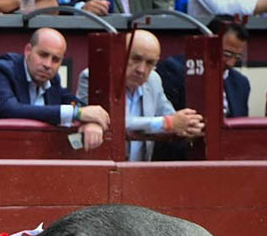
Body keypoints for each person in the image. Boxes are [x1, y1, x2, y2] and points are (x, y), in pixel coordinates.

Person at [78, 29, 204, 161]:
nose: (141, 70)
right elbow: (113, 122)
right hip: (102, 168)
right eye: (136, 59)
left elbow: (171, 117)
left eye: (150, 63)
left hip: (140, 171)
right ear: (119, 55)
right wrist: (166, 123)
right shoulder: (95, 77)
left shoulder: (153, 80)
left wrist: (189, 124)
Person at [0, 27, 111, 150]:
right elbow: (9, 109)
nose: (48, 65)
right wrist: (77, 113)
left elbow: (73, 102)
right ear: (28, 51)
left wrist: (91, 122)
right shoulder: (1, 70)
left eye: (56, 59)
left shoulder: (52, 79)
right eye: (43, 55)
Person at [156, 17, 251, 117]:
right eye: (226, 54)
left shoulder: (241, 83)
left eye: (237, 57)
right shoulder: (174, 70)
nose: (231, 63)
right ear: (207, 44)